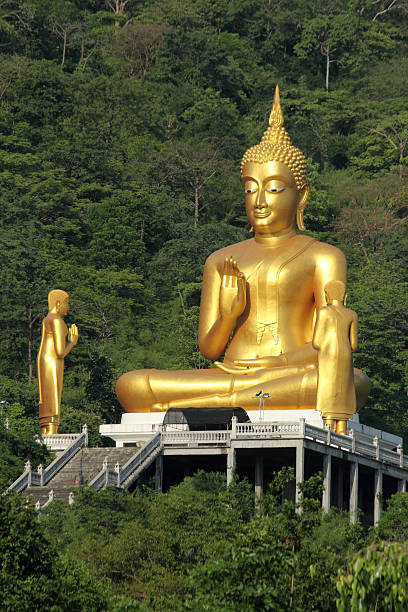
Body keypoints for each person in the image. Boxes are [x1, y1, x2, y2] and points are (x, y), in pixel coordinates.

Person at [116, 86, 370, 414]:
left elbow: (328, 345)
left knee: (349, 380)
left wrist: (274, 363)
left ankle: (219, 405)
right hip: (228, 374)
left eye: (275, 188)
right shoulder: (221, 260)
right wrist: (228, 315)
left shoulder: (323, 256)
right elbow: (209, 349)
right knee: (133, 384)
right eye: (250, 189)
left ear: (301, 196)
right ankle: (230, 400)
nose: (260, 200)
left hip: (289, 373)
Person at [312, 280, 358, 435]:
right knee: (344, 387)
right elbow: (354, 345)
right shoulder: (352, 314)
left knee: (328, 386)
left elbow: (316, 341)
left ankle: (328, 426)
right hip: (346, 354)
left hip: (328, 354)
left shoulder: (324, 312)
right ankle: (342, 429)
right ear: (345, 296)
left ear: (327, 296)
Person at [37, 290, 78, 434]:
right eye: (67, 303)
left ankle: (46, 428)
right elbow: (60, 352)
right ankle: (52, 429)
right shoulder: (57, 321)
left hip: (43, 359)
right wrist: (72, 343)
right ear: (58, 303)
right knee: (53, 394)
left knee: (45, 394)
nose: (68, 307)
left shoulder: (47, 318)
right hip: (53, 360)